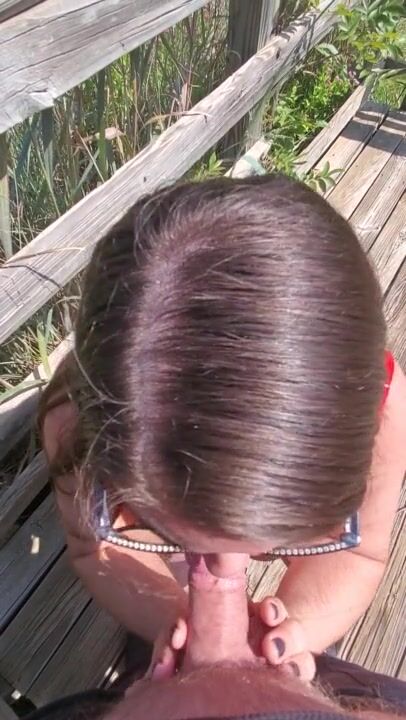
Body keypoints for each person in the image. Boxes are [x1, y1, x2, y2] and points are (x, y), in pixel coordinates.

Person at [40, 175, 406, 679]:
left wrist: (295, 631)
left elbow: (360, 555)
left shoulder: (387, 410)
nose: (225, 578)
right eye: (161, 532)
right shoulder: (75, 425)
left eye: (277, 542)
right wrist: (173, 618)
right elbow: (93, 547)